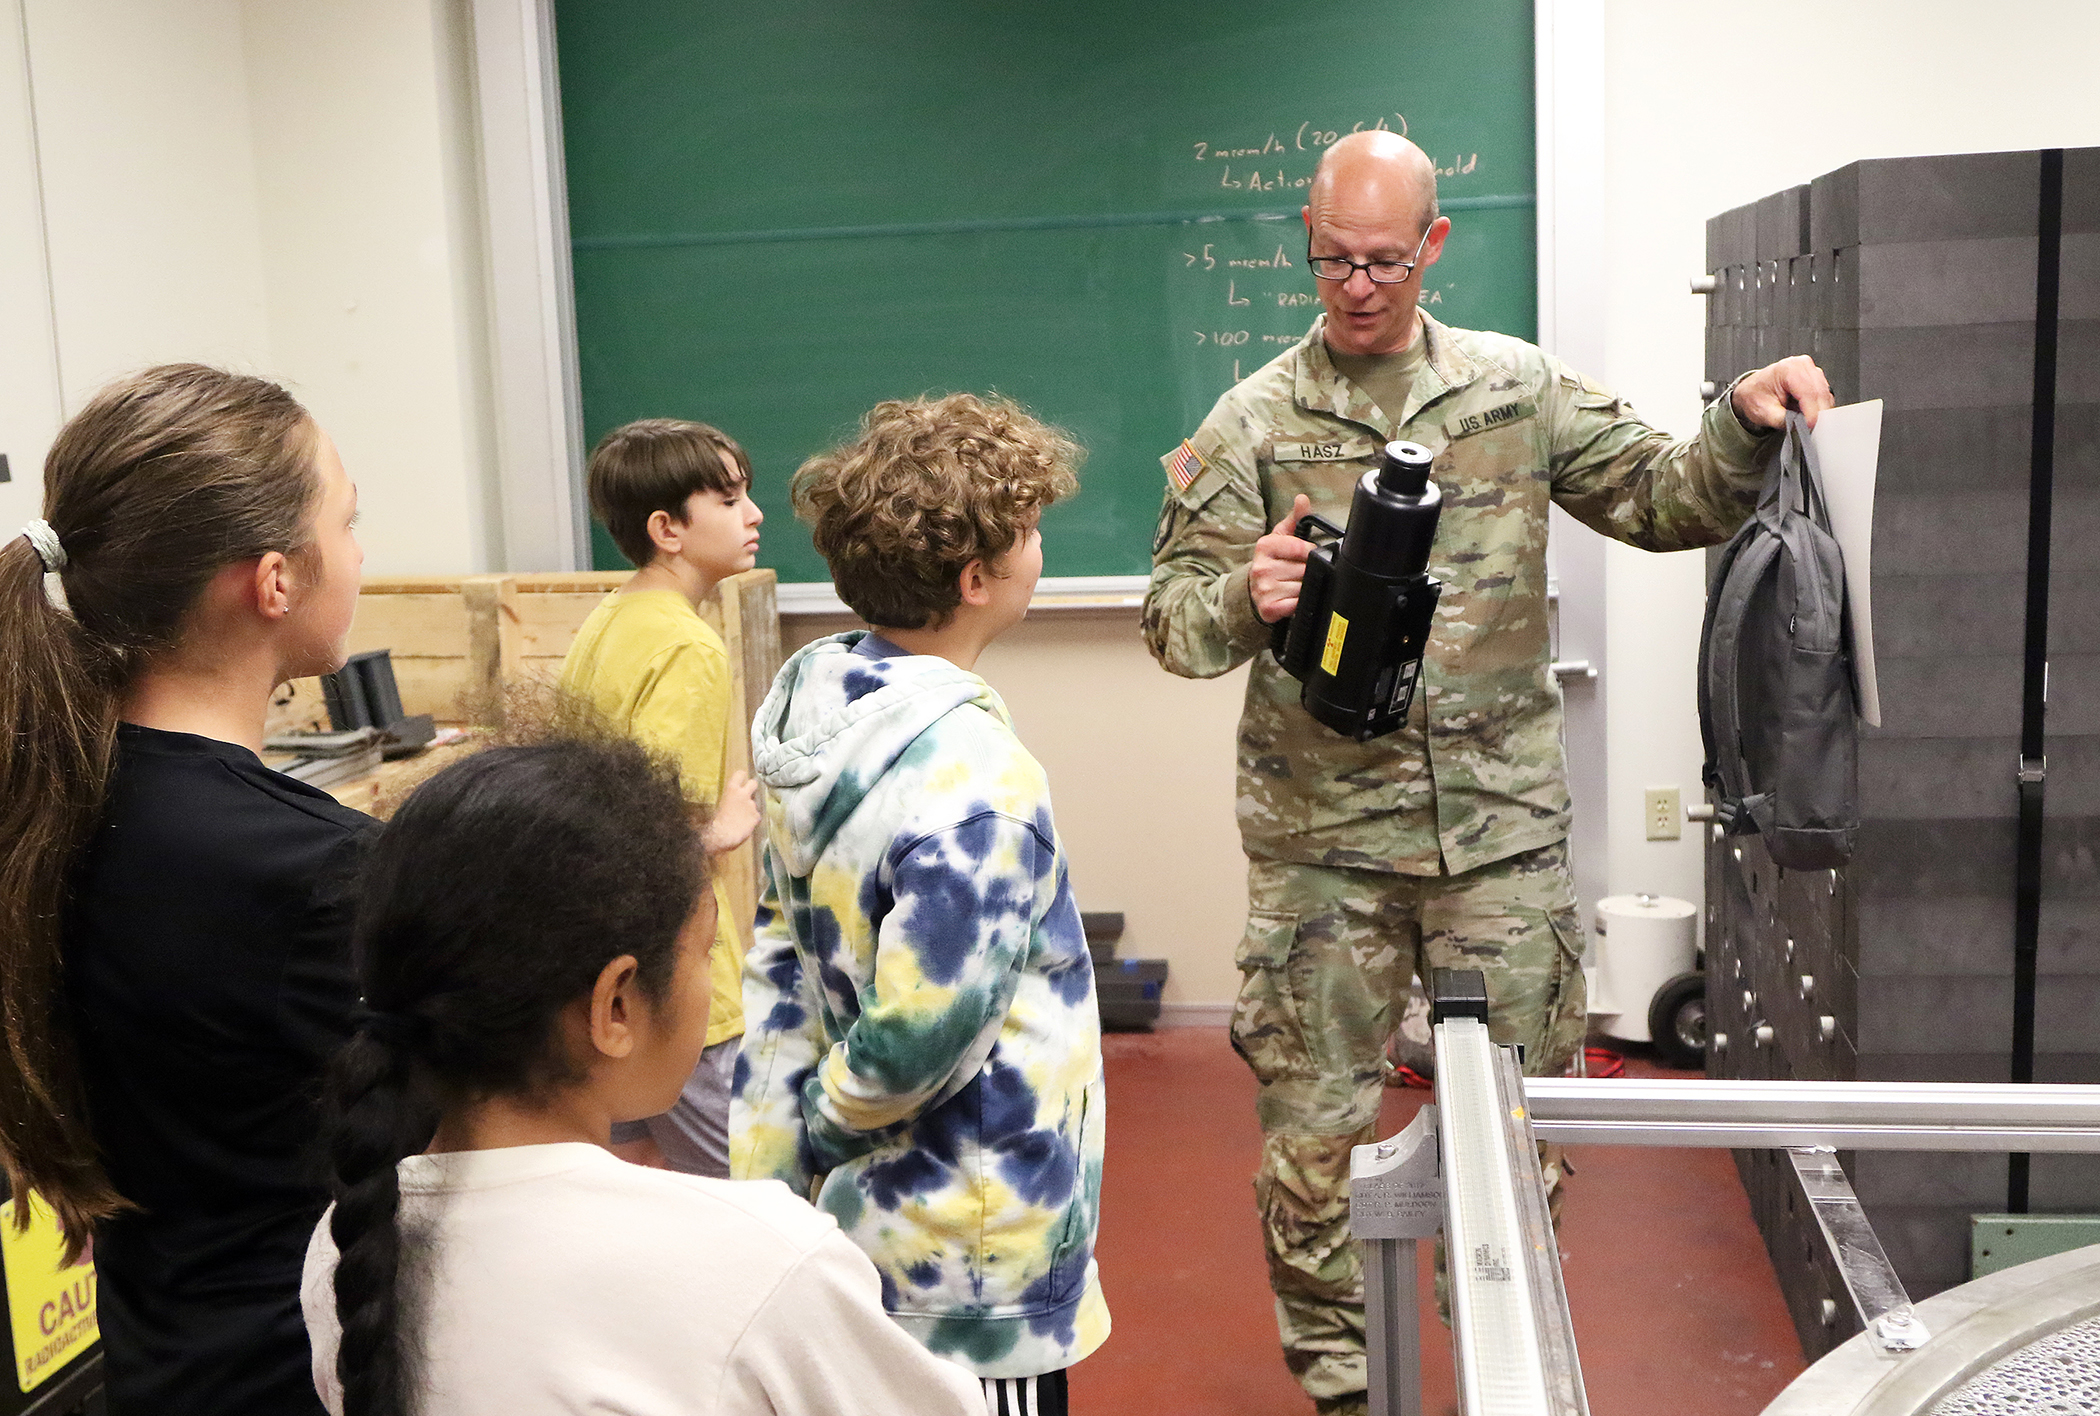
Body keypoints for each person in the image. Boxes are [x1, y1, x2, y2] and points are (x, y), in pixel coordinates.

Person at [1141, 130, 1835, 1414]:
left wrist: (1741, 417)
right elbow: (1173, 626)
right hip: (1322, 853)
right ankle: (1348, 1395)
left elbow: (1667, 499)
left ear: (1435, 246)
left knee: (1513, 1148)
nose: (1357, 287)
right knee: (1311, 1149)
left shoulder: (1515, 390)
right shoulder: (1251, 421)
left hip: (1499, 843)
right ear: (1307, 246)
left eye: (1384, 261)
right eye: (1332, 262)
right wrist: (1245, 593)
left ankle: (1500, 1381)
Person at [301, 731, 985, 1416]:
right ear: (616, 1006)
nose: (714, 978)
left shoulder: (349, 1248)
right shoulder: (756, 1261)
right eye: (706, 950)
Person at [731, 393, 1110, 1415]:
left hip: (860, 1228)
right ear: (976, 579)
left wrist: (776, 1164)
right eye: (1029, 531)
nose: (1041, 547)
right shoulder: (976, 776)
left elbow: (778, 964)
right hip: (970, 1256)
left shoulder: (819, 715)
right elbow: (922, 1029)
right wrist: (826, 1124)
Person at [0, 365, 367, 1414]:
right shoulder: (316, 870)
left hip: (159, 1359)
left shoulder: (48, 802)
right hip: (295, 1374)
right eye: (348, 522)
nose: (359, 553)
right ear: (273, 582)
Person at [558, 418, 766, 1176]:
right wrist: (723, 827)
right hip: (674, 983)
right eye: (729, 500)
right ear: (666, 529)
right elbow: (650, 839)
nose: (754, 515)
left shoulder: (608, 620)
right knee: (748, 1195)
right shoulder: (689, 646)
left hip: (604, 977)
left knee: (630, 1182)